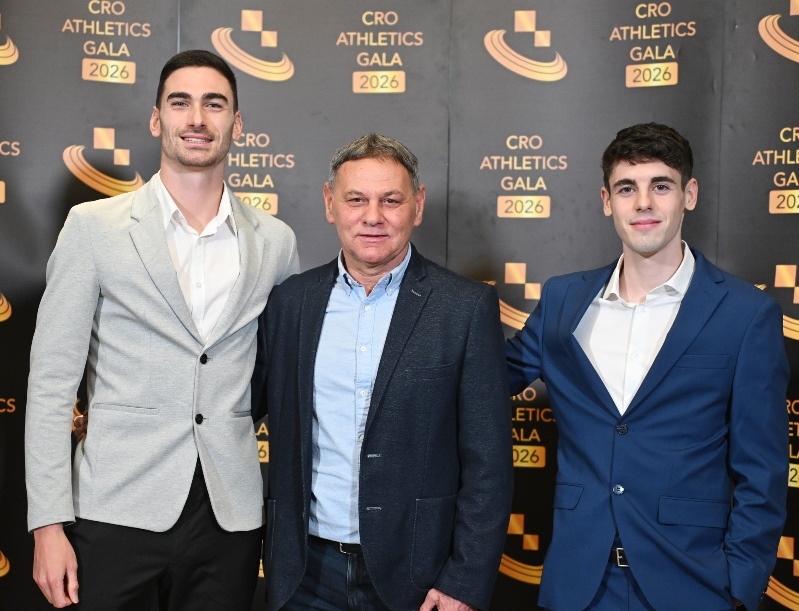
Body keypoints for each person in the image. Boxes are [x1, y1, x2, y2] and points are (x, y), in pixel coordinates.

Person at [25, 49, 299, 610]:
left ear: (237, 124)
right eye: (180, 103)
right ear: (156, 119)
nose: (197, 118)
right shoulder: (93, 228)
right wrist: (47, 524)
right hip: (114, 507)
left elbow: (280, 376)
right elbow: (52, 384)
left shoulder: (276, 242)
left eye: (214, 104)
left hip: (229, 516)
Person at [506, 123, 789, 611]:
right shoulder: (562, 299)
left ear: (689, 194)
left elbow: (762, 469)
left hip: (692, 587)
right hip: (578, 586)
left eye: (660, 186)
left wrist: (739, 587)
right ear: (606, 200)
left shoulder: (745, 313)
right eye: (626, 188)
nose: (643, 203)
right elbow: (486, 378)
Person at [251, 133, 513, 611]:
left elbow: (489, 462)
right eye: (356, 200)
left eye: (391, 200)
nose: (373, 216)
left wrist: (465, 581)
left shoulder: (465, 307)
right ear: (330, 203)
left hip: (419, 577)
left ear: (418, 205)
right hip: (304, 573)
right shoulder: (290, 302)